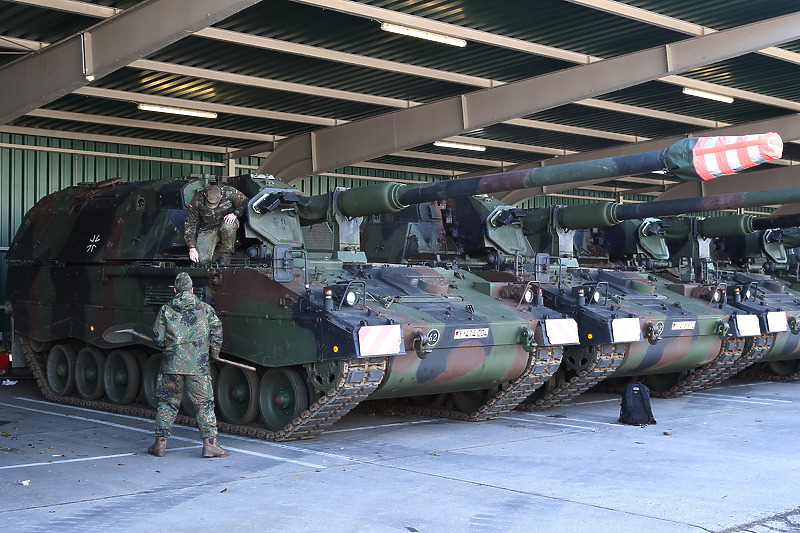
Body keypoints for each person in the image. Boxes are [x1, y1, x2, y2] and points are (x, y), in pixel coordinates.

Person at [148, 272, 229, 458]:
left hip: (171, 364)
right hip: (197, 366)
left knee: (167, 403)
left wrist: (166, 346)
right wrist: (213, 354)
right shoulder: (205, 309)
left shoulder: (166, 310)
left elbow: (157, 338)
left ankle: (160, 444)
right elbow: (217, 332)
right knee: (204, 404)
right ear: (192, 289)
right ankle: (210, 445)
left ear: (175, 290)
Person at [185, 183, 248, 265]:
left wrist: (235, 214)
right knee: (201, 260)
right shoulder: (197, 200)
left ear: (221, 196)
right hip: (208, 229)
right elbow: (190, 224)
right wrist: (192, 248)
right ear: (205, 195)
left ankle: (226, 255)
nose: (212, 206)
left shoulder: (230, 192)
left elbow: (245, 202)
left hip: (226, 225)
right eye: (210, 203)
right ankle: (218, 253)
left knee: (228, 226)